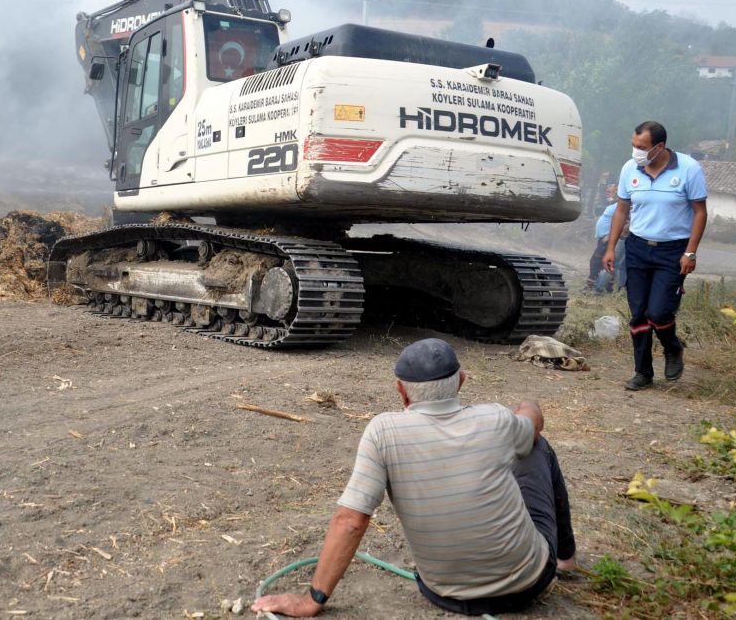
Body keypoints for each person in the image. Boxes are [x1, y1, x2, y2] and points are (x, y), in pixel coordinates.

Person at [250, 338, 576, 617]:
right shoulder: (496, 419)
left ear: (402, 393)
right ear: (461, 381)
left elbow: (350, 520)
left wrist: (312, 600)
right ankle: (565, 559)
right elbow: (534, 425)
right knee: (536, 446)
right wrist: (527, 406)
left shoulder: (382, 432)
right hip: (527, 586)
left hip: (442, 593)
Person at [604, 121, 707, 391]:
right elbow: (622, 210)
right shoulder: (630, 169)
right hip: (637, 247)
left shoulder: (688, 169)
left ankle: (673, 347)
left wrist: (691, 252)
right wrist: (612, 246)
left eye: (641, 147)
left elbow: (699, 212)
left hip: (673, 251)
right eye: (633, 145)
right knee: (638, 313)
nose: (635, 151)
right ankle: (642, 372)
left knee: (659, 312)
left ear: (659, 146)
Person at [587, 185, 618, 292]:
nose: (607, 193)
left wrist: (609, 235)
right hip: (603, 238)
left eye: (610, 191)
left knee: (596, 261)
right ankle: (605, 287)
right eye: (606, 191)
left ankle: (592, 287)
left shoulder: (620, 205)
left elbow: (622, 222)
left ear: (617, 191)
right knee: (600, 262)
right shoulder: (613, 204)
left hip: (607, 239)